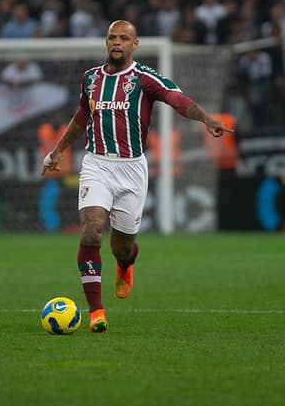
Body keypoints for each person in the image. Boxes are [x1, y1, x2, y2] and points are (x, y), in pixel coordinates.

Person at [41, 20, 233, 333]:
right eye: (112, 37)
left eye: (124, 38)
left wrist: (206, 119)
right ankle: (96, 312)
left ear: (135, 44)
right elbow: (81, 116)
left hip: (132, 169)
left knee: (123, 246)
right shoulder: (90, 78)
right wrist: (58, 150)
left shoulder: (144, 79)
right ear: (106, 42)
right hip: (97, 163)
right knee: (91, 231)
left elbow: (177, 99)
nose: (117, 43)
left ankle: (125, 266)